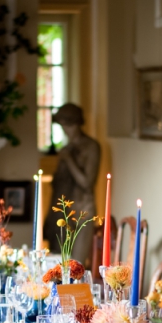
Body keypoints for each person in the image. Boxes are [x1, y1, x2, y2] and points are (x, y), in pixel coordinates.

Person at [43, 103, 101, 266]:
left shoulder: (91, 147)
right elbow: (58, 185)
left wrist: (69, 160)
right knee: (57, 265)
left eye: (68, 125)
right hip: (62, 211)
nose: (66, 130)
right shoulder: (66, 148)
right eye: (62, 126)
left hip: (82, 210)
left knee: (75, 265)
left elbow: (87, 183)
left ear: (77, 124)